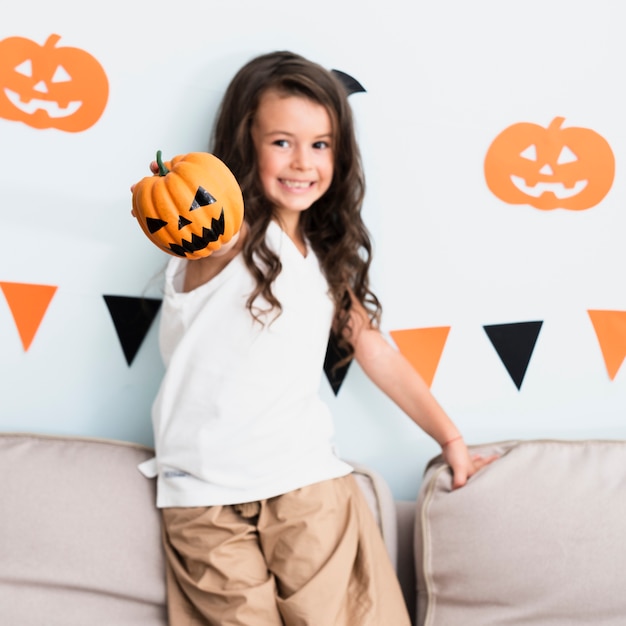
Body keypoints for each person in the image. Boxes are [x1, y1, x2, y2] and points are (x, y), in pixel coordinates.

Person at [134, 50, 497, 626]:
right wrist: (179, 185)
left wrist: (450, 439)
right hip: (200, 497)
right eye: (282, 142)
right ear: (243, 143)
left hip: (305, 487)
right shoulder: (221, 238)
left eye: (321, 144)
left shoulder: (325, 261)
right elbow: (191, 216)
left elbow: (374, 351)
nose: (302, 161)